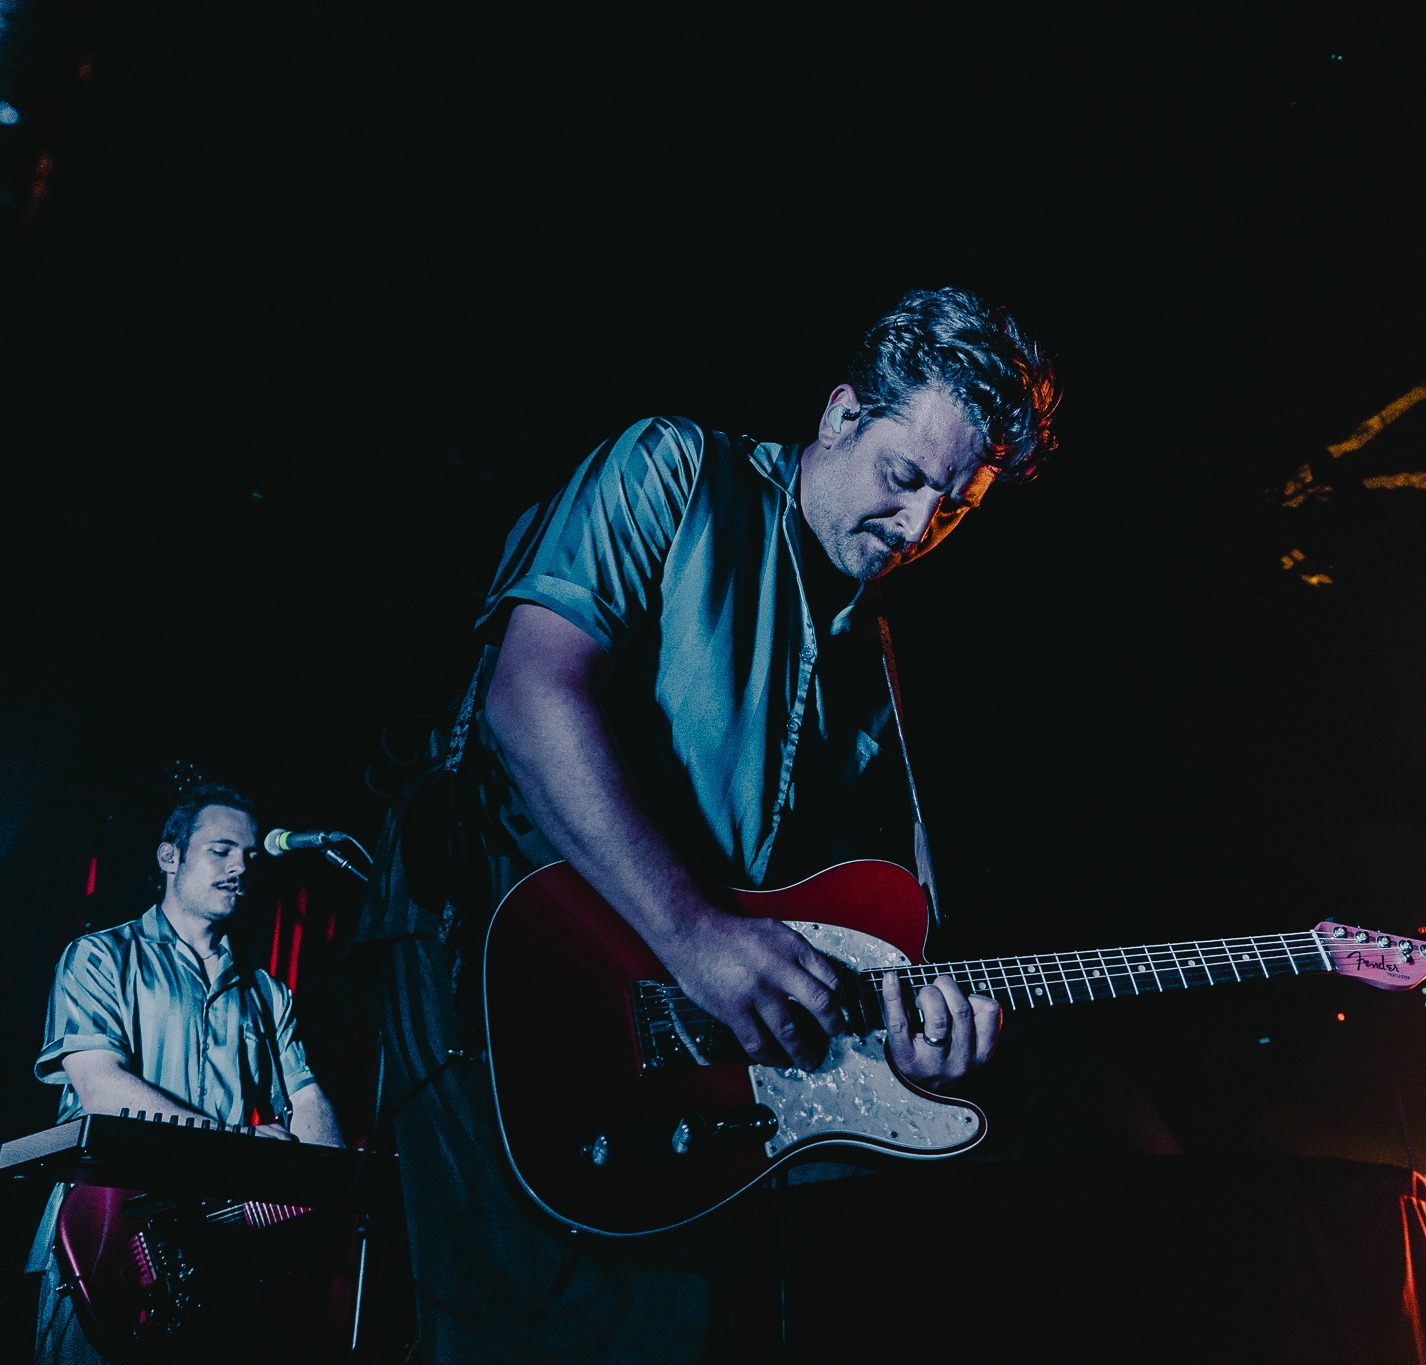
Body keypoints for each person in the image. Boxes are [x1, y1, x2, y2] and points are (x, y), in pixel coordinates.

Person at [360, 286, 1060, 1362]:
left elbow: (857, 917)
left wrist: (914, 1037)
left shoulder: (869, 650)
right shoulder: (673, 468)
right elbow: (529, 694)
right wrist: (693, 933)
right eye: (903, 475)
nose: (919, 525)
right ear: (841, 416)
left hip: (668, 1050)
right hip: (489, 962)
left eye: (955, 506)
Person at [29, 782, 346, 1365]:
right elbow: (101, 1086)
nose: (239, 868)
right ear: (169, 856)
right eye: (220, 850)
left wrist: (333, 1175)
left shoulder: (267, 992)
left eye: (248, 856)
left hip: (215, 1251)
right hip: (108, 1237)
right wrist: (237, 1145)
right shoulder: (100, 957)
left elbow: (305, 1097)